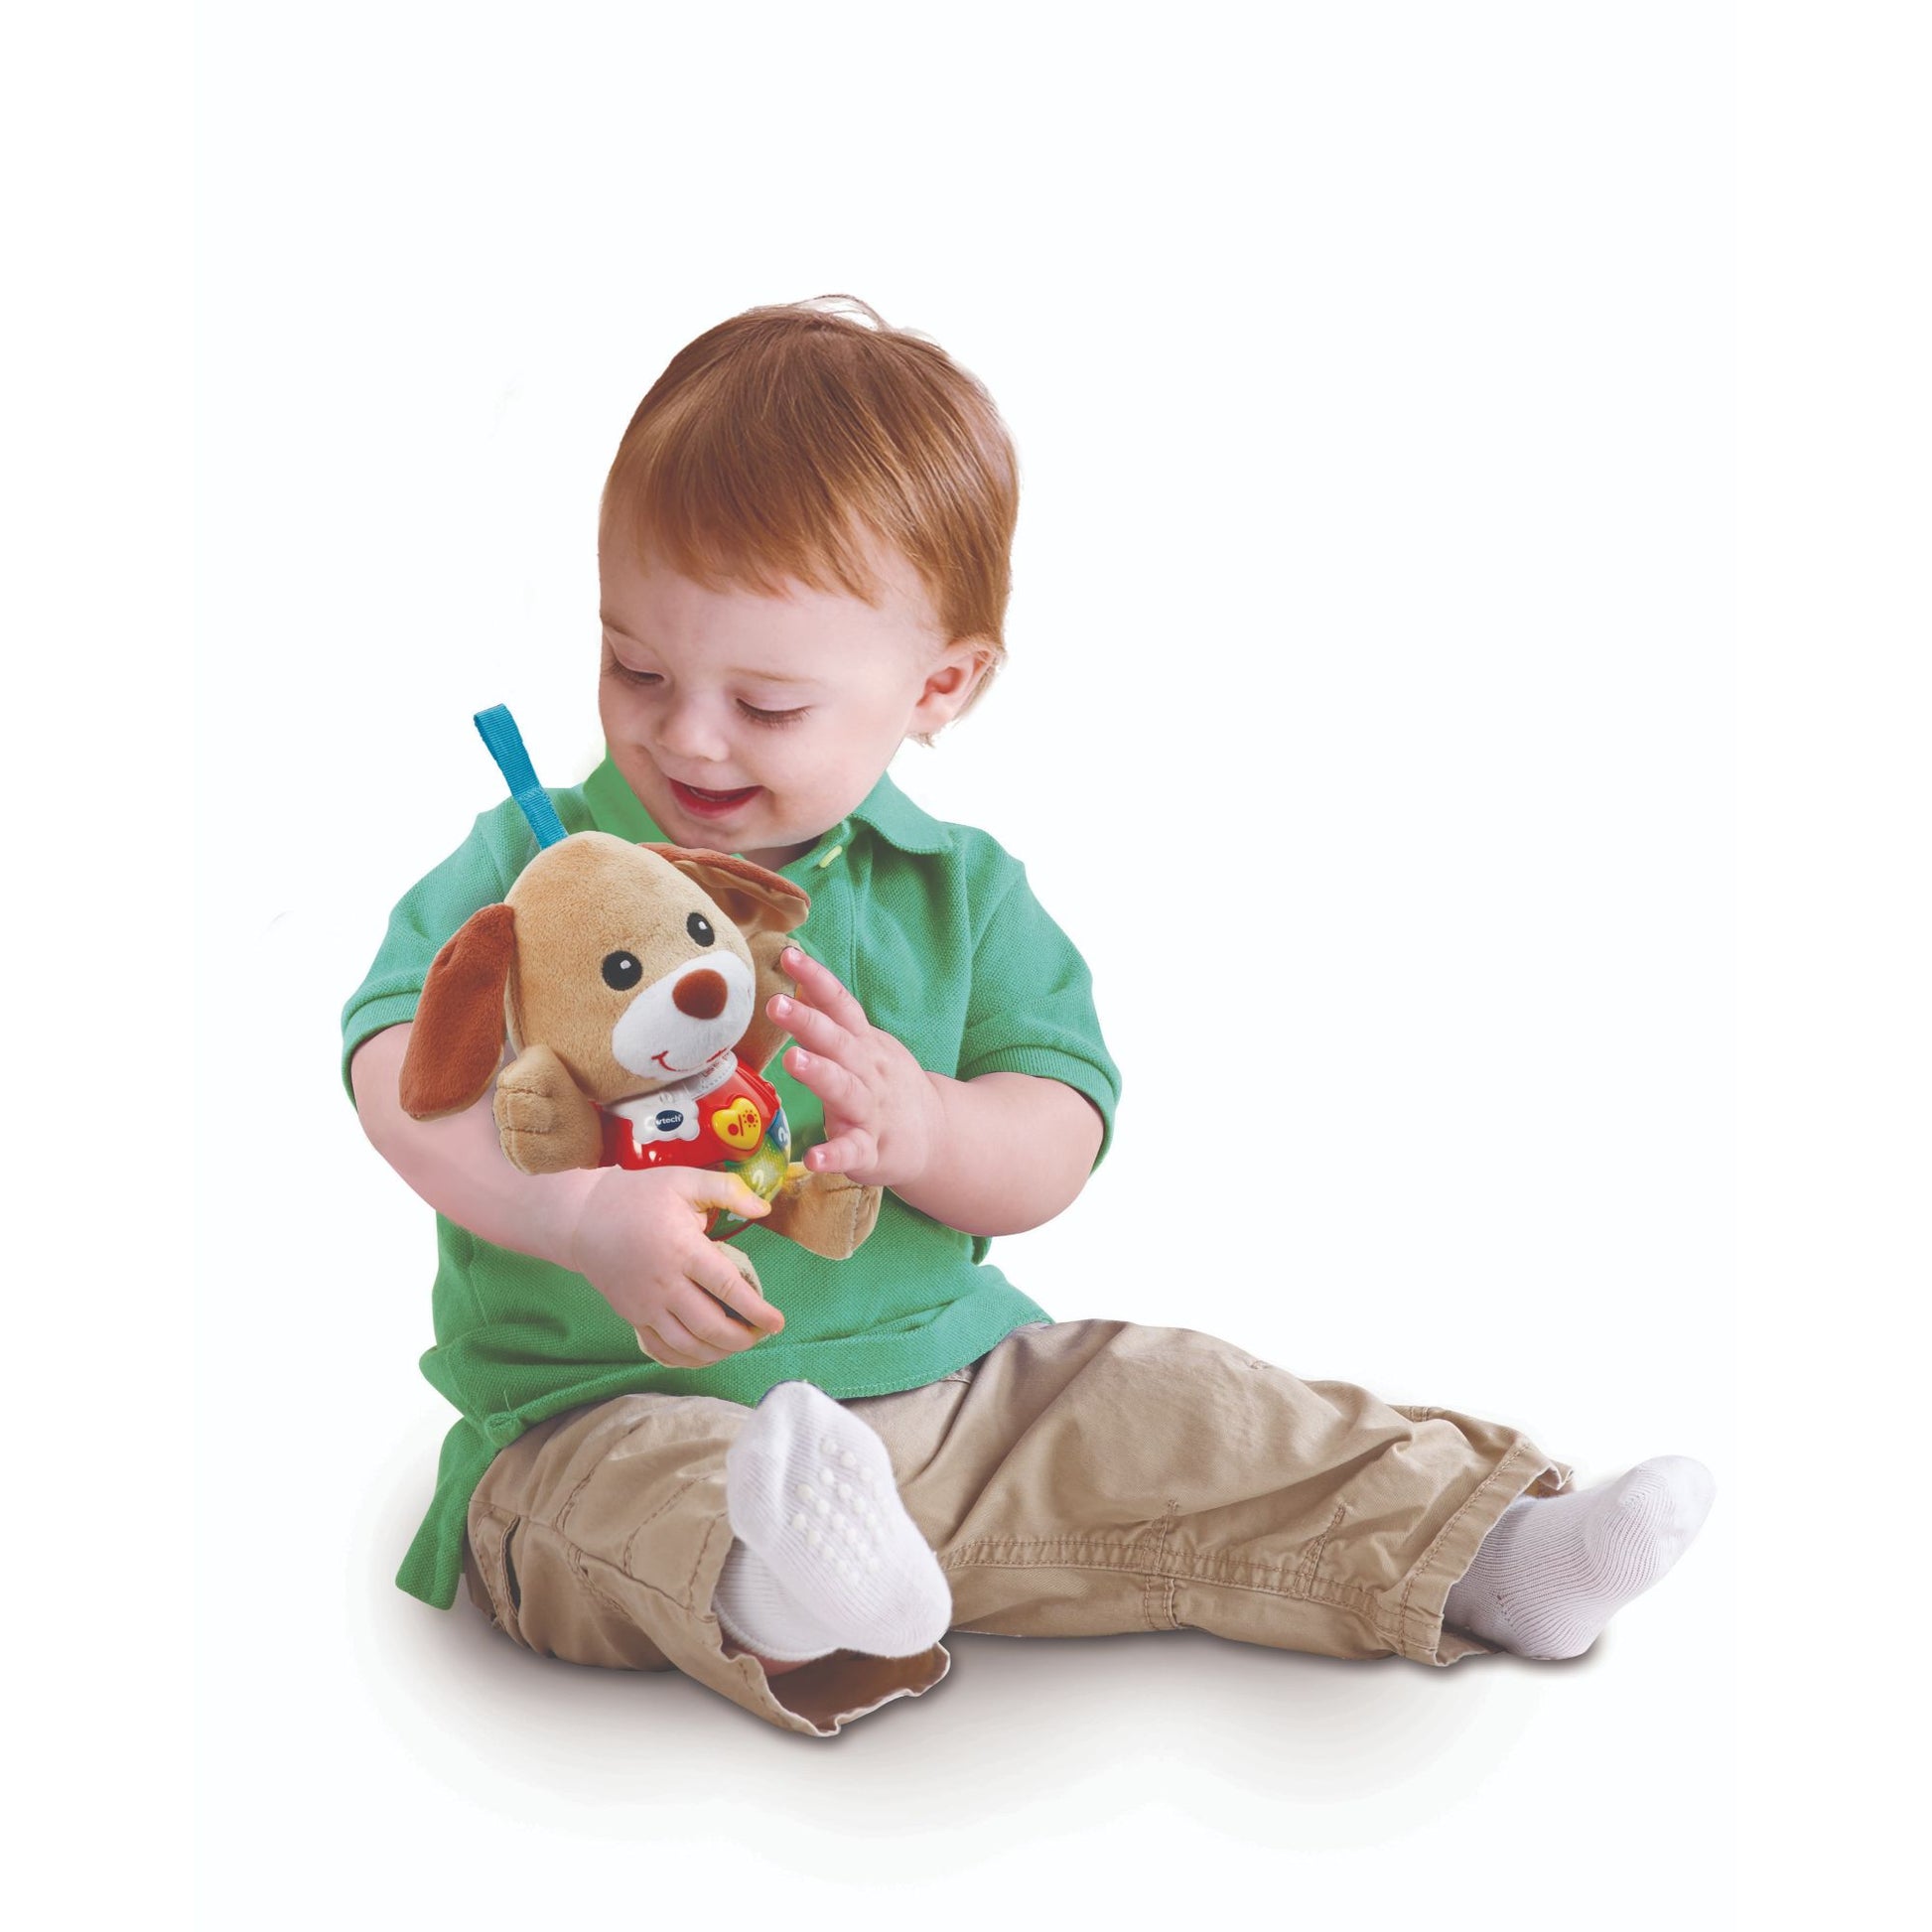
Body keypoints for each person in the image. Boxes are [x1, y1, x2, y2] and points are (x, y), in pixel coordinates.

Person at [344, 295, 1715, 1739]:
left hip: (953, 1387)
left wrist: (931, 1126)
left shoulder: (963, 894)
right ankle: (789, 1585)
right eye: (636, 668)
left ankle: (1489, 1551)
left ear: (939, 685)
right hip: (599, 1409)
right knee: (614, 1512)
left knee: (1174, 1400)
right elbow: (393, 1071)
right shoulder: (542, 873)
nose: (685, 733)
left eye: (767, 704)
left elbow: (1059, 1135)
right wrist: (571, 1220)